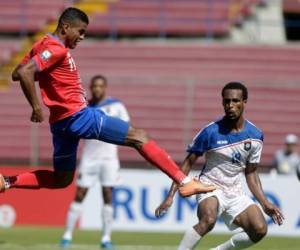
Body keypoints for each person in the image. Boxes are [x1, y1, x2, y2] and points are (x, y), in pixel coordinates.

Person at [0, 8, 215, 197]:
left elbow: (17, 74)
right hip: (78, 116)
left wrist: (46, 79)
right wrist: (36, 106)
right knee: (139, 137)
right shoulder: (56, 49)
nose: (82, 37)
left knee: (62, 180)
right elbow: (25, 73)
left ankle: (7, 181)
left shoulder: (41, 44)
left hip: (61, 124)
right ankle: (185, 182)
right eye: (80, 31)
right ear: (65, 27)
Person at [155, 82, 284, 250]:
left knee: (259, 230)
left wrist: (265, 203)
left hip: (235, 192)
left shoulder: (255, 136)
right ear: (222, 102)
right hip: (209, 187)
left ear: (244, 102)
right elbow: (187, 162)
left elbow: (251, 173)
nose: (230, 106)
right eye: (226, 101)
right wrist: (170, 196)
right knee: (208, 220)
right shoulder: (210, 131)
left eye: (235, 101)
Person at [60, 75, 129, 249]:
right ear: (90, 88)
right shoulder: (84, 107)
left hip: (109, 158)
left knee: (107, 196)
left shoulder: (117, 106)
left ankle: (106, 239)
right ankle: (67, 236)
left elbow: (127, 129)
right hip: (89, 158)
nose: (97, 89)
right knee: (80, 194)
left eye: (100, 86)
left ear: (105, 87)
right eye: (94, 86)